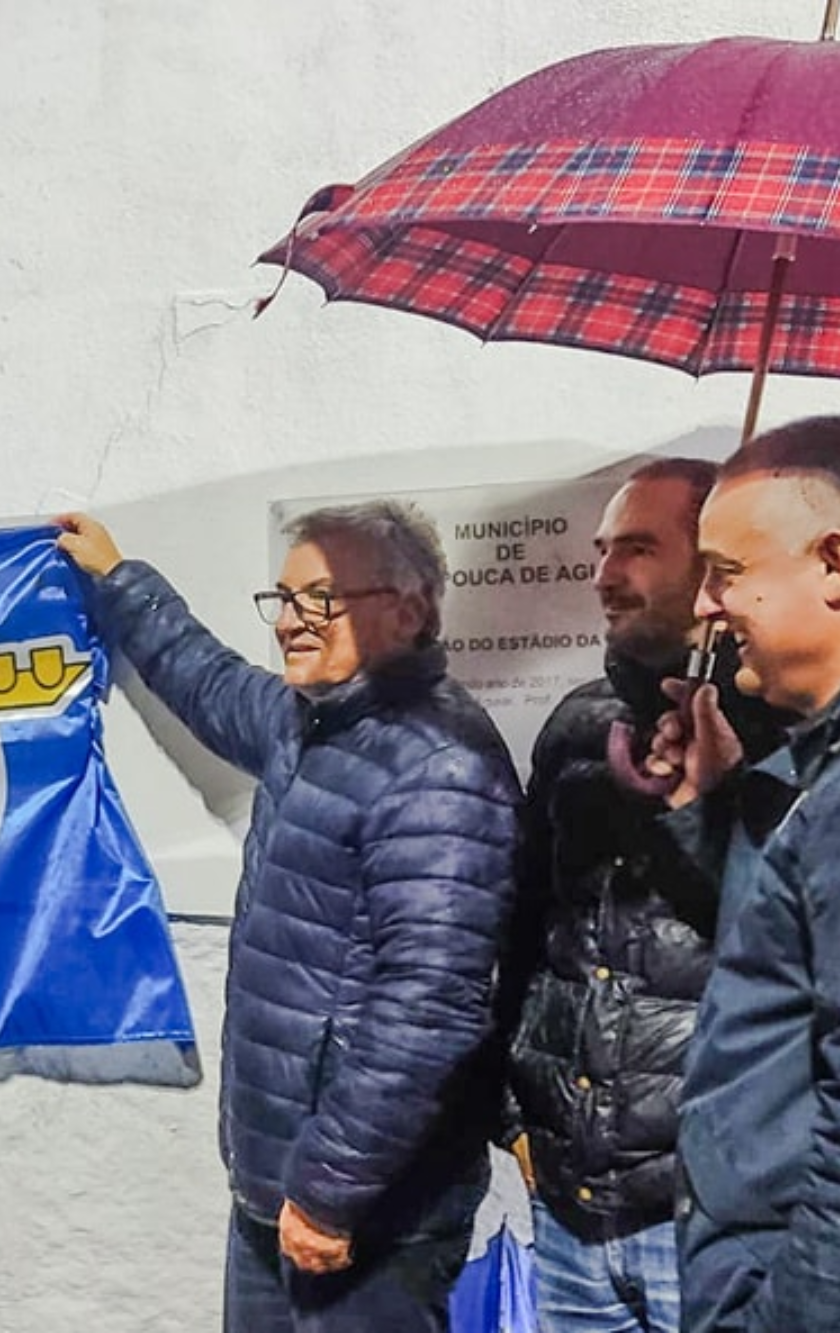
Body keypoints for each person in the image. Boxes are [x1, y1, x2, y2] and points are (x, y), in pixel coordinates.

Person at [57, 503, 520, 1333]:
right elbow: (208, 678)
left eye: (324, 597)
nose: (294, 621)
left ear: (409, 612)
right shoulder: (312, 725)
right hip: (282, 1189)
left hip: (371, 1213)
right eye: (284, 598)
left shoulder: (442, 766)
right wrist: (119, 580)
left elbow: (431, 1006)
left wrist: (330, 1191)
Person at [504, 459, 785, 1333]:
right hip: (573, 1209)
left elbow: (785, 952)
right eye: (601, 550)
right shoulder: (582, 726)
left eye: (636, 547)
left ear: (712, 566)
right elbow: (524, 929)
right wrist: (513, 1110)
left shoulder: (795, 735)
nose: (603, 575)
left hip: (711, 1216)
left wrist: (716, 799)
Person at [648, 418, 840, 1332]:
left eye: (726, 572)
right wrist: (707, 804)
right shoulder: (809, 774)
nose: (707, 609)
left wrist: (782, 1313)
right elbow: (777, 965)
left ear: (835, 562)